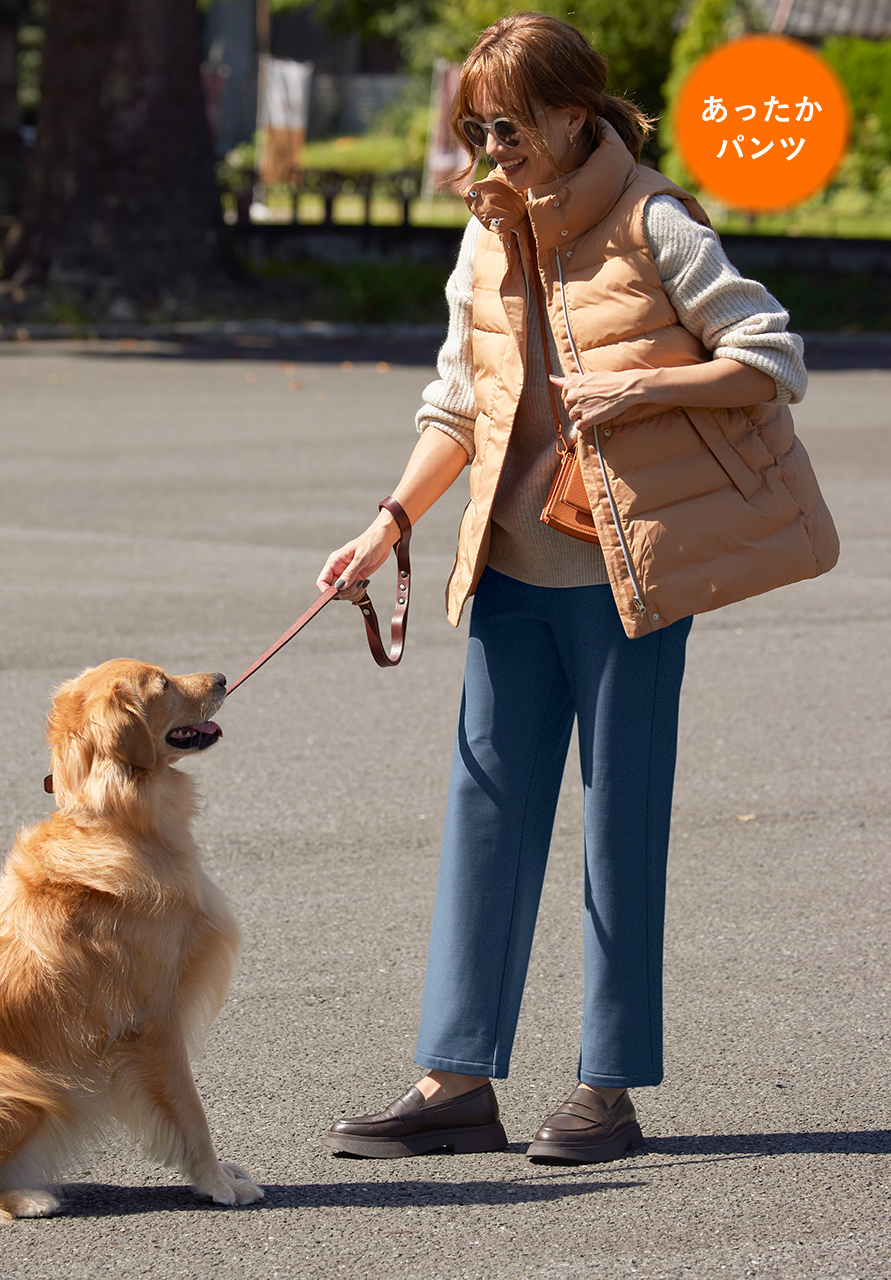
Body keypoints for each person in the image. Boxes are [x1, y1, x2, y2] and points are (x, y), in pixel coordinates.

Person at [316, 12, 837, 1164]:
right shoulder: (486, 235)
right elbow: (458, 404)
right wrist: (388, 522)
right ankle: (455, 1078)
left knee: (619, 824)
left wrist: (641, 392)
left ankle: (605, 1090)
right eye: (473, 128)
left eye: (506, 127)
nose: (489, 149)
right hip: (506, 567)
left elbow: (772, 356)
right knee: (484, 817)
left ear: (569, 114)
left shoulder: (655, 220)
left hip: (627, 576)